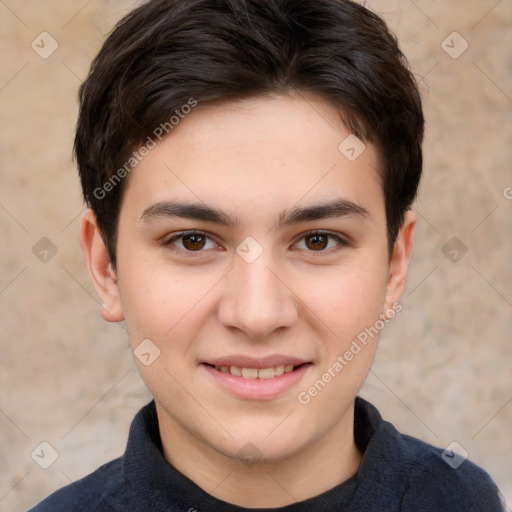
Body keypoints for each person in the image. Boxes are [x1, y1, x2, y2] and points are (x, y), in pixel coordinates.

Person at [28, 0, 504, 510]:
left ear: (394, 265)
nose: (257, 315)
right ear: (106, 269)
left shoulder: (466, 500)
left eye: (318, 240)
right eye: (193, 240)